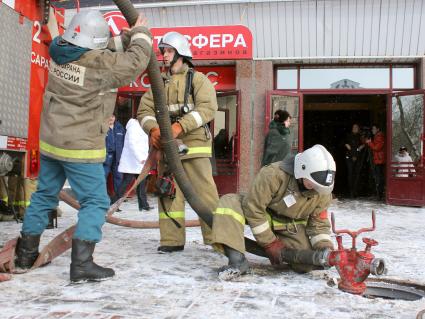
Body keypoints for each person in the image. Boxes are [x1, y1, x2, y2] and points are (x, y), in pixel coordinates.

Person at [14, 11, 152, 282]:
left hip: (52, 141)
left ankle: (25, 254)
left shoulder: (59, 50)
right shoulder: (99, 65)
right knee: (96, 201)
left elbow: (104, 47)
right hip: (80, 147)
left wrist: (125, 36)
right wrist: (142, 35)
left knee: (44, 195)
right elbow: (135, 62)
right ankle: (82, 264)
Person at [137, 31, 219, 253]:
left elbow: (208, 109)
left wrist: (179, 126)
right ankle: (172, 240)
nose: (164, 56)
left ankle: (216, 238)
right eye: (163, 51)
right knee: (168, 192)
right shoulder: (158, 82)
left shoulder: (198, 80)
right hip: (166, 149)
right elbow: (143, 110)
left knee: (205, 195)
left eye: (169, 51)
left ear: (181, 54)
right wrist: (153, 129)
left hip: (194, 147)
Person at [211, 144, 336, 280]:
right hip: (262, 214)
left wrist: (324, 248)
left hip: (290, 226)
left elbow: (319, 224)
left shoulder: (322, 190)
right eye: (312, 184)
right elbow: (254, 209)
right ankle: (237, 262)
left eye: (320, 187)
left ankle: (292, 256)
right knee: (229, 203)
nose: (316, 191)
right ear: (301, 170)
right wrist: (270, 243)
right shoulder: (273, 175)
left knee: (306, 265)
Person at [115, 118, 152, 211]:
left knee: (141, 184)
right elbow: (132, 144)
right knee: (126, 183)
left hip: (140, 161)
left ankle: (143, 205)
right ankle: (114, 203)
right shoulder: (133, 126)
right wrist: (140, 158)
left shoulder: (141, 126)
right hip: (133, 161)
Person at [104, 114, 125, 199]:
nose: (111, 118)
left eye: (113, 116)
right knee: (103, 176)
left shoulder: (120, 127)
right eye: (109, 116)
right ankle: (103, 197)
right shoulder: (103, 127)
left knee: (118, 177)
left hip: (118, 156)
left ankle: (118, 197)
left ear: (115, 118)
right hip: (106, 156)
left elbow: (124, 142)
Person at [344, 123, 365, 197]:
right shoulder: (348, 136)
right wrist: (353, 153)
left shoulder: (360, 137)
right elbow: (346, 145)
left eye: (356, 127)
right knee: (350, 174)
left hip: (358, 158)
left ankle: (355, 191)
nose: (355, 128)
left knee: (357, 174)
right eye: (354, 127)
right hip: (349, 157)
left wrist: (360, 148)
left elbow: (363, 145)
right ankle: (351, 191)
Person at [365, 124, 385, 200]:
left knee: (379, 178)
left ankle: (379, 195)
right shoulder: (377, 136)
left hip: (379, 160)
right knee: (378, 177)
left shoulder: (379, 136)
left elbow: (377, 148)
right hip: (378, 159)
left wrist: (370, 143)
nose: (372, 130)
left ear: (378, 129)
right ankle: (378, 194)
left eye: (374, 129)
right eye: (372, 129)